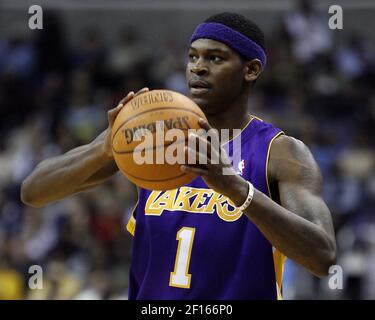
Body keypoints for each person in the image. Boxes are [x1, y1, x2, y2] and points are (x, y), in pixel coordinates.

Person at [21, 12, 336, 300]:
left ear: (251, 70)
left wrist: (235, 188)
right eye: (192, 57)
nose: (198, 67)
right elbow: (33, 191)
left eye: (215, 58)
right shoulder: (153, 141)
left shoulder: (279, 152)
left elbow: (322, 257)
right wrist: (103, 147)